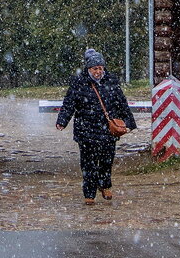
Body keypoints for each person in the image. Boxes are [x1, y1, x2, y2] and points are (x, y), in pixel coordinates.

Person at [55, 48, 136, 205]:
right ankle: (89, 193)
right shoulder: (79, 82)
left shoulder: (111, 81)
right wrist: (62, 121)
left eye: (100, 68)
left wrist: (129, 123)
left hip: (107, 130)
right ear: (88, 69)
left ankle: (105, 185)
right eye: (95, 68)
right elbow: (69, 103)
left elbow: (121, 103)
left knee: (106, 161)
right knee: (88, 163)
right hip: (86, 130)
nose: (98, 71)